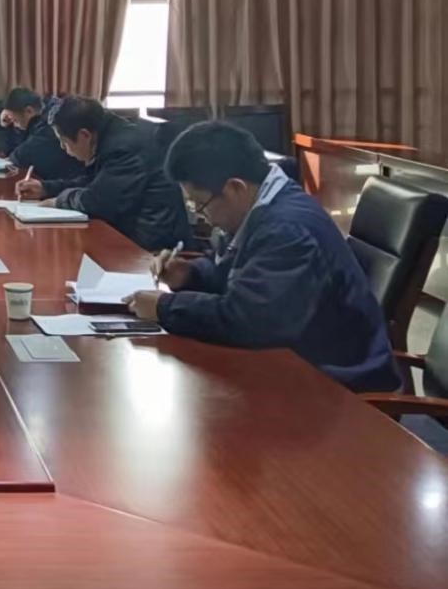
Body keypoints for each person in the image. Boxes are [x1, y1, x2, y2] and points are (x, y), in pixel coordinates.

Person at [124, 121, 400, 394]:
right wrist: (189, 273)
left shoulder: (286, 231)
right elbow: (234, 271)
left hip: (337, 384)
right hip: (295, 360)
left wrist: (165, 307)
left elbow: (247, 321)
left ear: (235, 187)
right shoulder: (262, 205)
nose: (200, 215)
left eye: (200, 204)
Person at [16, 96, 190, 251]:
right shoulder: (108, 133)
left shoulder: (123, 148)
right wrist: (46, 188)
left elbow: (98, 202)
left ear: (84, 135)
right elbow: (95, 182)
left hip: (151, 247)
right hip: (129, 234)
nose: (63, 148)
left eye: (64, 142)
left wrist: (59, 201)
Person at [0, 88, 84, 179]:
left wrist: (12, 131)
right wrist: (8, 126)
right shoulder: (43, 113)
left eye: (15, 121)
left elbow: (19, 158)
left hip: (74, 181)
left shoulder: (52, 124)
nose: (15, 126)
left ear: (29, 111)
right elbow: (14, 154)